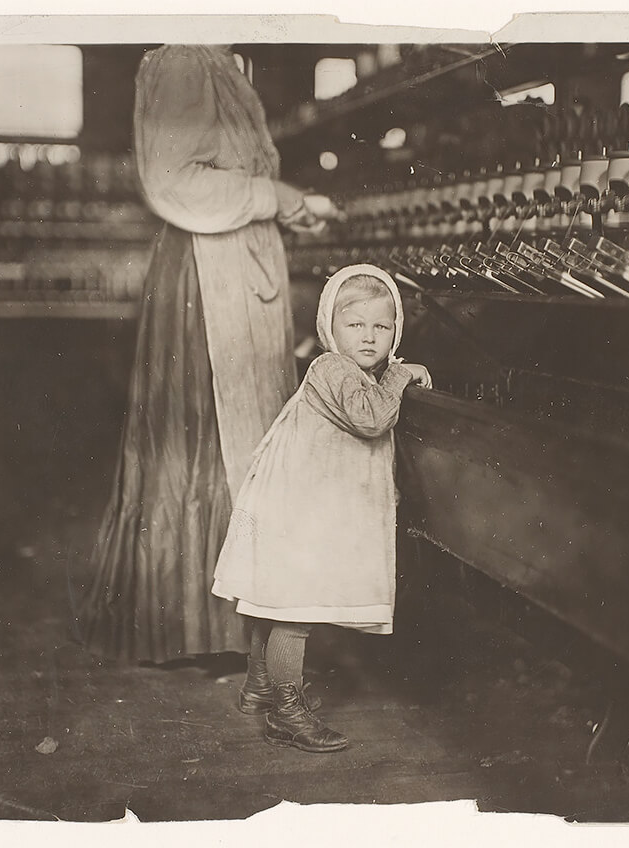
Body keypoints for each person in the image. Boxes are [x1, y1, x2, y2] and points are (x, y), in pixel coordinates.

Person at [73, 45, 342, 664]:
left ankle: (233, 624)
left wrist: (292, 206)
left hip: (231, 264)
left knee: (240, 436)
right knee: (215, 437)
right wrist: (277, 195)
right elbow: (173, 182)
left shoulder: (216, 59)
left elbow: (222, 175)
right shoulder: (186, 59)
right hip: (207, 277)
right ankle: (199, 627)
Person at [211, 264, 433, 752]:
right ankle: (287, 713)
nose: (370, 337)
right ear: (329, 327)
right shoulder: (332, 368)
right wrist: (399, 375)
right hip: (300, 509)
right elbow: (371, 419)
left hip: (299, 502)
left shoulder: (355, 371)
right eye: (355, 325)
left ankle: (259, 687)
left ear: (397, 328)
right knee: (296, 608)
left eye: (383, 325)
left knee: (279, 598)